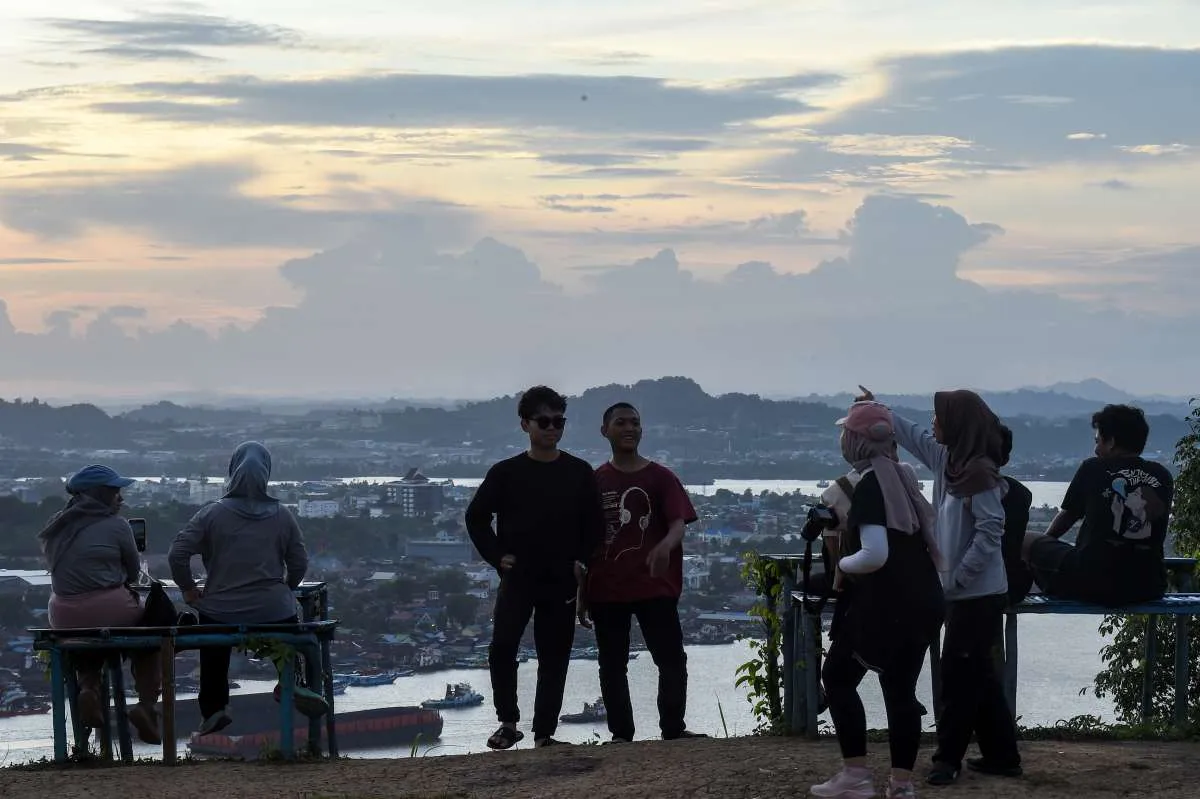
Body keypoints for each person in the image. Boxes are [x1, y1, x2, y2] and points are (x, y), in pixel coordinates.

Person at [863, 386, 1022, 786]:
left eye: (940, 417)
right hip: (962, 592)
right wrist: (877, 409)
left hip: (978, 595)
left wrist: (956, 577)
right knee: (979, 676)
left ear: (957, 424)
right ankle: (1002, 755)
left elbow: (990, 532)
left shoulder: (980, 475)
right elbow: (914, 435)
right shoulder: (950, 462)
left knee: (957, 675)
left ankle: (946, 760)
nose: (934, 424)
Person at [809, 402, 945, 799]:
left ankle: (855, 775)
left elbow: (874, 554)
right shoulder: (903, 475)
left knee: (836, 676)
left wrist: (841, 567)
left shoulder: (871, 483)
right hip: (924, 600)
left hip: (886, 606)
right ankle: (901, 785)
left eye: (846, 433)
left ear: (858, 440)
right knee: (901, 691)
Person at [465, 386, 604, 750]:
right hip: (519, 576)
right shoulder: (506, 473)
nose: (552, 428)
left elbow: (594, 526)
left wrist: (582, 562)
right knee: (503, 647)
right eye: (544, 421)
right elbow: (476, 518)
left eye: (559, 421)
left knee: (554, 656)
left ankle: (544, 733)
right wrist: (497, 556)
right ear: (525, 424)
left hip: (561, 578)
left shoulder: (578, 472)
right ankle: (508, 723)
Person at [168, 441, 319, 735]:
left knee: (213, 647)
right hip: (272, 609)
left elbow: (177, 554)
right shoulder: (282, 515)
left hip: (222, 608)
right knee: (292, 636)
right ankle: (293, 683)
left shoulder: (211, 514)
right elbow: (299, 563)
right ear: (267, 474)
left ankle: (214, 708)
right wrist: (285, 589)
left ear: (232, 471)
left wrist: (188, 589)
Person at [578, 402, 705, 742]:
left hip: (655, 586)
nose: (629, 428)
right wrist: (582, 594)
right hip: (607, 587)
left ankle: (673, 729)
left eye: (635, 422)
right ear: (605, 430)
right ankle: (622, 735)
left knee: (671, 660)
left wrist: (664, 546)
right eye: (621, 422)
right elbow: (585, 545)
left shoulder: (661, 477)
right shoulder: (596, 480)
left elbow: (679, 524)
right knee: (613, 665)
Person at [40, 465, 163, 744]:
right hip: (110, 607)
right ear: (99, 495)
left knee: (85, 631)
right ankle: (146, 705)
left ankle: (89, 688)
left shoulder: (56, 525)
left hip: (63, 614)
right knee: (153, 627)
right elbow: (132, 574)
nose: (120, 498)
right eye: (114, 492)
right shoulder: (117, 525)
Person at [1023, 404, 1174, 606]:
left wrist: (1043, 548)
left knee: (1023, 539)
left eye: (1098, 441)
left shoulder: (1093, 468)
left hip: (1092, 583)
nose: (1096, 450)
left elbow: (1067, 517)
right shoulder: (1163, 475)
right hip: (1149, 587)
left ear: (1111, 442)